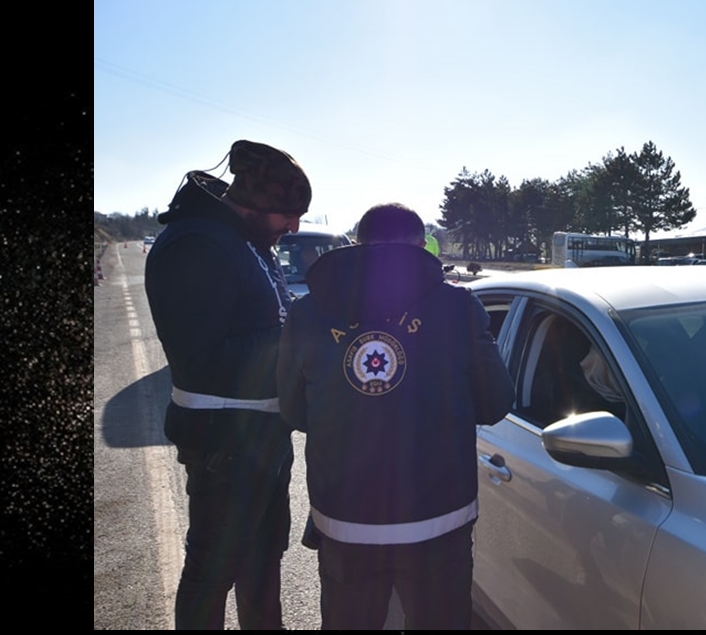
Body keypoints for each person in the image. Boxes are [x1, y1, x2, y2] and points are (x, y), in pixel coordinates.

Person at [277, 202, 515, 630]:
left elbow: (293, 412)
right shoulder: (458, 308)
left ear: (358, 245)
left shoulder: (307, 312)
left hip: (345, 521)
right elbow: (496, 403)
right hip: (439, 521)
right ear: (420, 245)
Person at [144, 139, 311, 629]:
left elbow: (271, 318)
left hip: (263, 440)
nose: (294, 226)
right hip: (225, 446)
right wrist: (294, 341)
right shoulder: (197, 243)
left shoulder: (246, 241)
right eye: (287, 212)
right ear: (255, 202)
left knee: (262, 563)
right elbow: (201, 359)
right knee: (211, 576)